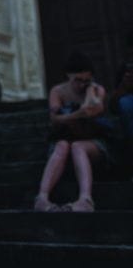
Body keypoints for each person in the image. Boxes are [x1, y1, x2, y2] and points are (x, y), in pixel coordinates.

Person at [34, 50, 107, 213]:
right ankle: (42, 198)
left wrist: (89, 91)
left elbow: (94, 110)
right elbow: (54, 119)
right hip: (64, 139)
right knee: (62, 145)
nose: (82, 84)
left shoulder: (96, 89)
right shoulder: (58, 91)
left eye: (86, 80)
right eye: (78, 80)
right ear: (68, 76)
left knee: (78, 147)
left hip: (92, 141)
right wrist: (78, 114)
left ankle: (85, 200)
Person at [109, 54, 133, 165]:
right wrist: (125, 84)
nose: (129, 74)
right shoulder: (121, 93)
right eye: (127, 72)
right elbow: (113, 107)